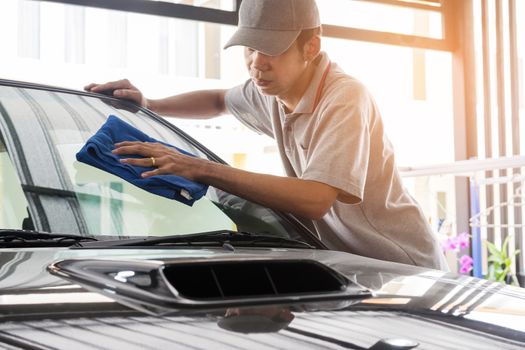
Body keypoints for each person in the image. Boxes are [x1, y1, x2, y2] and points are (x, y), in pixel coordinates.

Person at [85, 0, 447, 270]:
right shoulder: (271, 91)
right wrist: (150, 102)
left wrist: (201, 168)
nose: (257, 63)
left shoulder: (345, 98)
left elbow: (315, 199)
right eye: (250, 48)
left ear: (311, 47)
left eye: (271, 49)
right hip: (351, 265)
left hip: (404, 267)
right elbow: (217, 100)